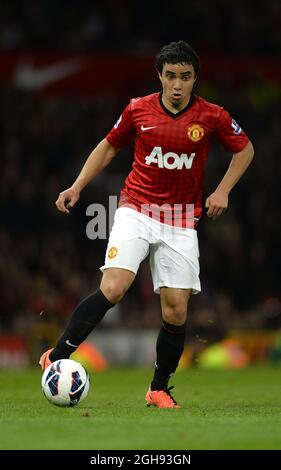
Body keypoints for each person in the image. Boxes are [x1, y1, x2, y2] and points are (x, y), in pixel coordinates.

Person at [40, 41, 254, 408]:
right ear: (160, 76)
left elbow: (245, 148)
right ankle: (56, 355)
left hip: (181, 220)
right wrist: (77, 186)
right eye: (170, 76)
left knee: (176, 309)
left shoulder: (212, 115)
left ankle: (158, 388)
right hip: (136, 209)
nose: (176, 84)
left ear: (194, 79)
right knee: (114, 286)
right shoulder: (138, 109)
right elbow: (108, 146)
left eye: (184, 77)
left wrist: (222, 191)